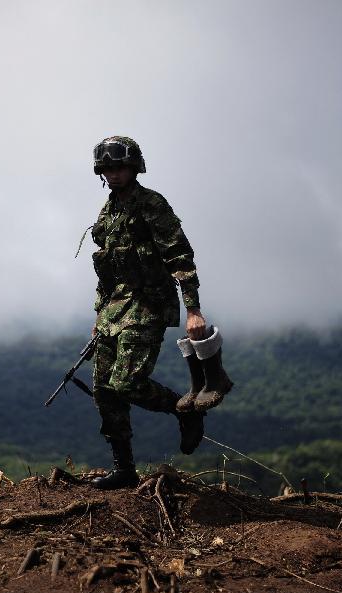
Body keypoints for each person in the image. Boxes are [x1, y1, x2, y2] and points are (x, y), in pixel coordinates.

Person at [88, 136, 233, 490]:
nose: (114, 174)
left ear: (134, 167)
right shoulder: (108, 212)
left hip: (148, 306)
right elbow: (107, 271)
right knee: (104, 390)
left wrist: (193, 309)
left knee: (127, 383)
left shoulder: (151, 204)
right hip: (114, 310)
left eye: (119, 167)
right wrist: (98, 318)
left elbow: (179, 255)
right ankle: (124, 469)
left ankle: (184, 411)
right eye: (107, 168)